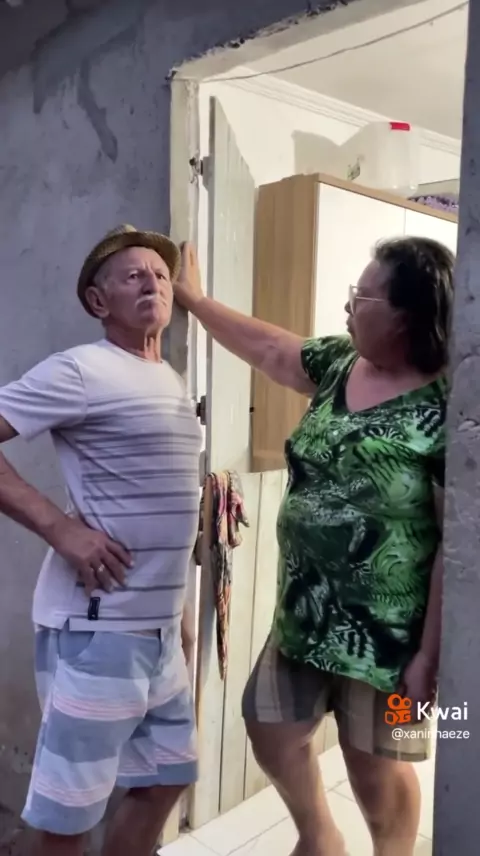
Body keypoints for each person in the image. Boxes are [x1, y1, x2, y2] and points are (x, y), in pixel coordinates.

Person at [174, 236, 453, 856]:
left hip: (391, 638)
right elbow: (270, 347)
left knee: (376, 767)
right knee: (268, 724)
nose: (349, 305)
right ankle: (321, 836)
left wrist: (428, 658)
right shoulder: (338, 362)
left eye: (363, 296)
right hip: (305, 611)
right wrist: (196, 301)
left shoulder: (448, 405)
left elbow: (453, 546)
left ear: (405, 316)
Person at [0, 225, 201, 856]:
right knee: (69, 815)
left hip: (158, 632)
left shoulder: (170, 378)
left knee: (167, 778)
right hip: (98, 630)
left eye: (161, 274)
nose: (152, 282)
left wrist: (180, 613)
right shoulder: (81, 370)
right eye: (133, 274)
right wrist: (61, 530)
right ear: (97, 301)